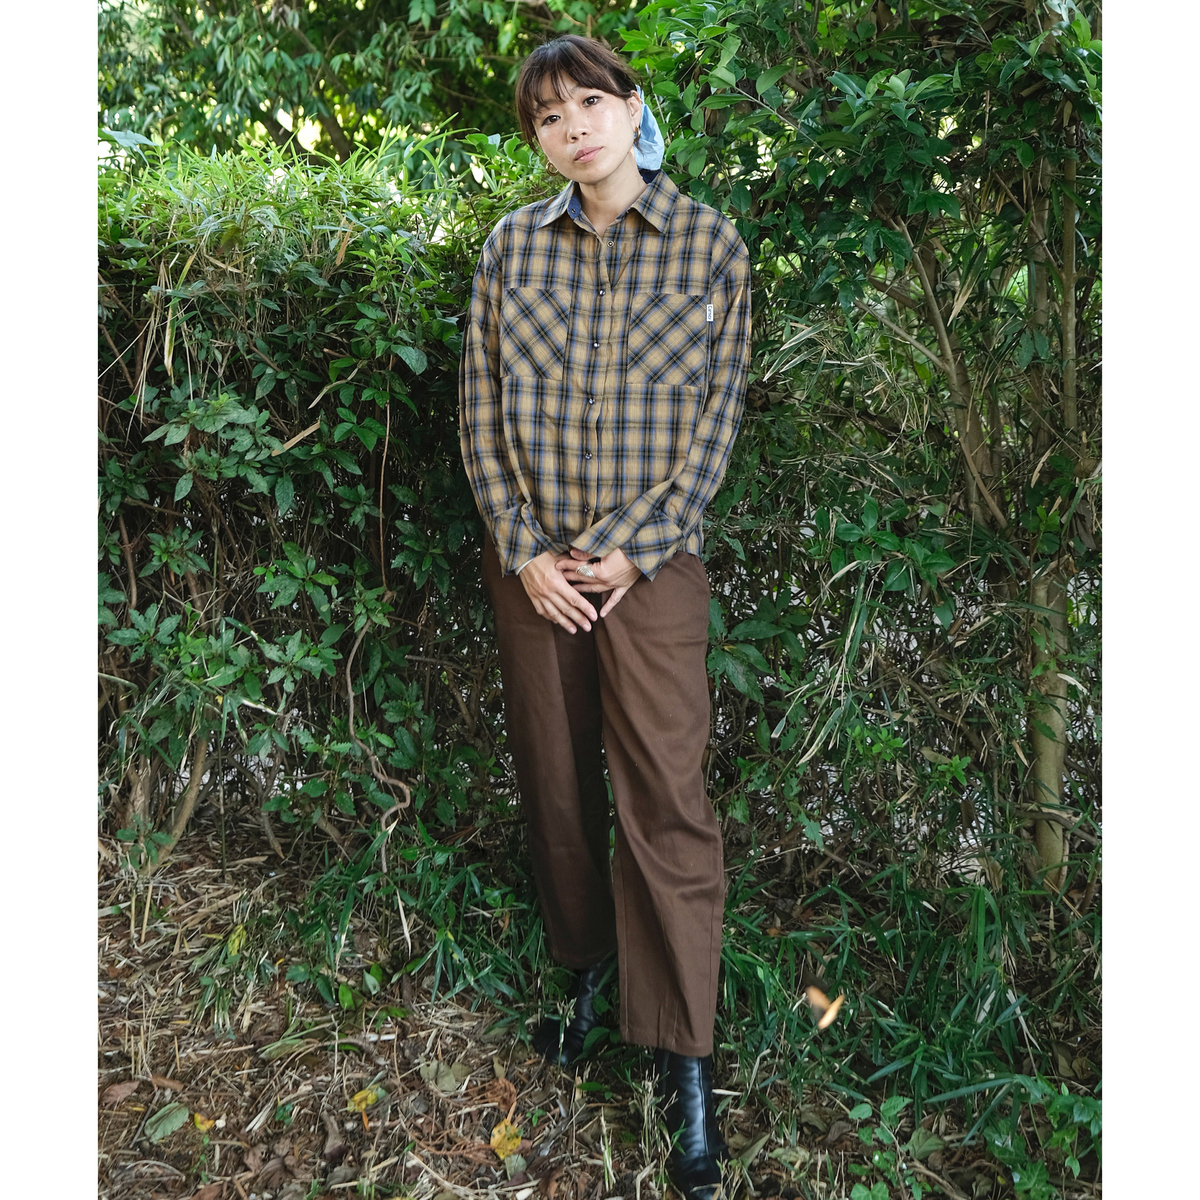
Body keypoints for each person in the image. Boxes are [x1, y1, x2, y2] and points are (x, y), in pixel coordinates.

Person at [458, 34, 751, 1200]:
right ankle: (586, 972)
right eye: (548, 116)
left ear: (634, 108)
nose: (572, 126)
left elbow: (717, 421)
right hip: (533, 569)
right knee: (557, 783)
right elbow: (479, 409)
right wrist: (523, 547)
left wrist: (642, 546)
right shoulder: (510, 249)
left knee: (667, 798)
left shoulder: (710, 245)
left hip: (652, 570)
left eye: (590, 101)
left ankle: (684, 1054)